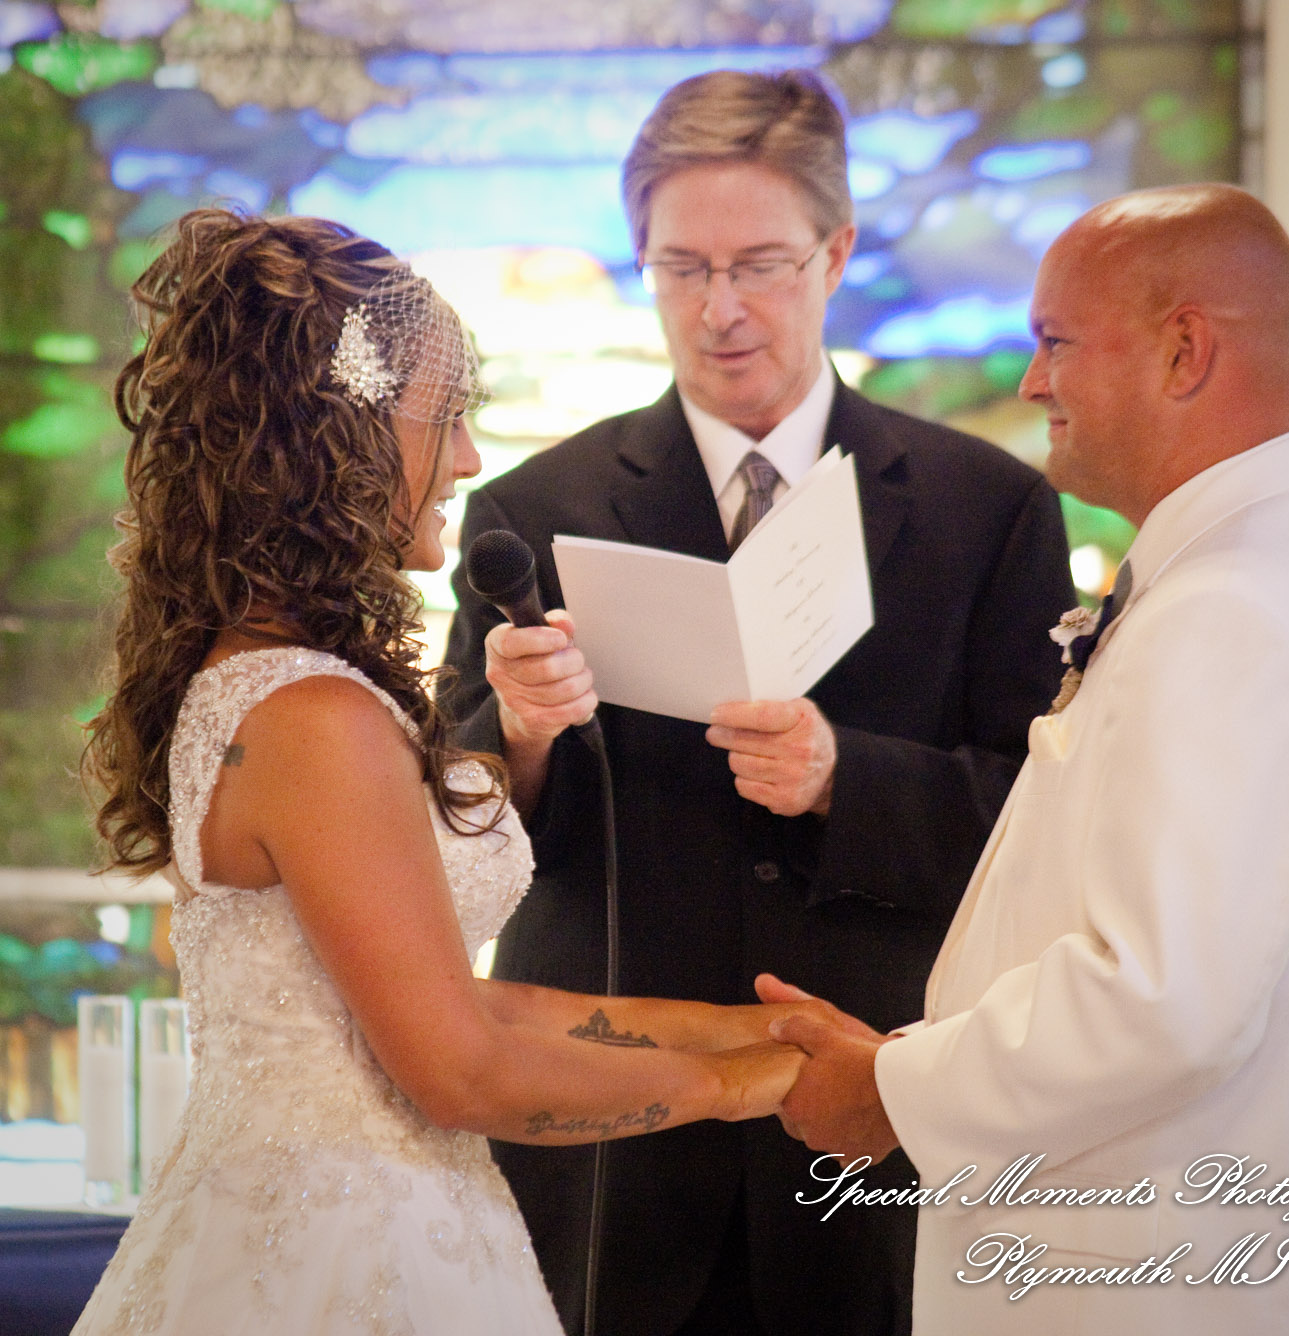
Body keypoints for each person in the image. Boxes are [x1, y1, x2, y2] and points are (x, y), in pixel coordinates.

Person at [73, 209, 812, 1336]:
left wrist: (738, 1032)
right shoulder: (311, 714)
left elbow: (458, 1001)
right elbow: (459, 1069)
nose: (467, 459)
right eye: (447, 419)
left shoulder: (263, 677)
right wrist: (748, 1089)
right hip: (340, 1253)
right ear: (337, 435)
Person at [441, 69, 1075, 1336]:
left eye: (760, 263)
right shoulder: (532, 508)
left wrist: (852, 776)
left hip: (870, 1107)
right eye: (681, 268)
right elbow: (459, 837)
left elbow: (1044, 819)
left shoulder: (986, 506)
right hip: (613, 1127)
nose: (720, 310)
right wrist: (517, 736)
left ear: (836, 253)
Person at [757, 183, 1289, 1335]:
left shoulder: (1237, 612)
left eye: (1055, 341)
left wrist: (891, 1090)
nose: (1031, 383)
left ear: (1183, 352)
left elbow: (1161, 1002)